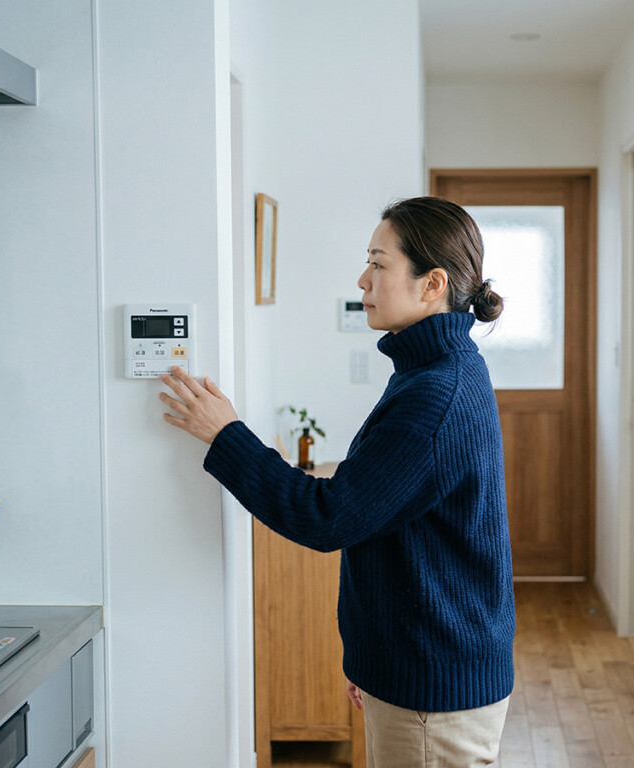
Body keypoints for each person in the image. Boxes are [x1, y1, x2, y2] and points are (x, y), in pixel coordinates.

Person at [159, 196, 515, 767]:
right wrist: (372, 663)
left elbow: (330, 515)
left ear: (432, 284)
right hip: (422, 672)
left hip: (432, 688)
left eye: (379, 263)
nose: (363, 278)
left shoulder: (435, 395)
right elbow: (391, 521)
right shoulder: (437, 371)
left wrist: (226, 435)